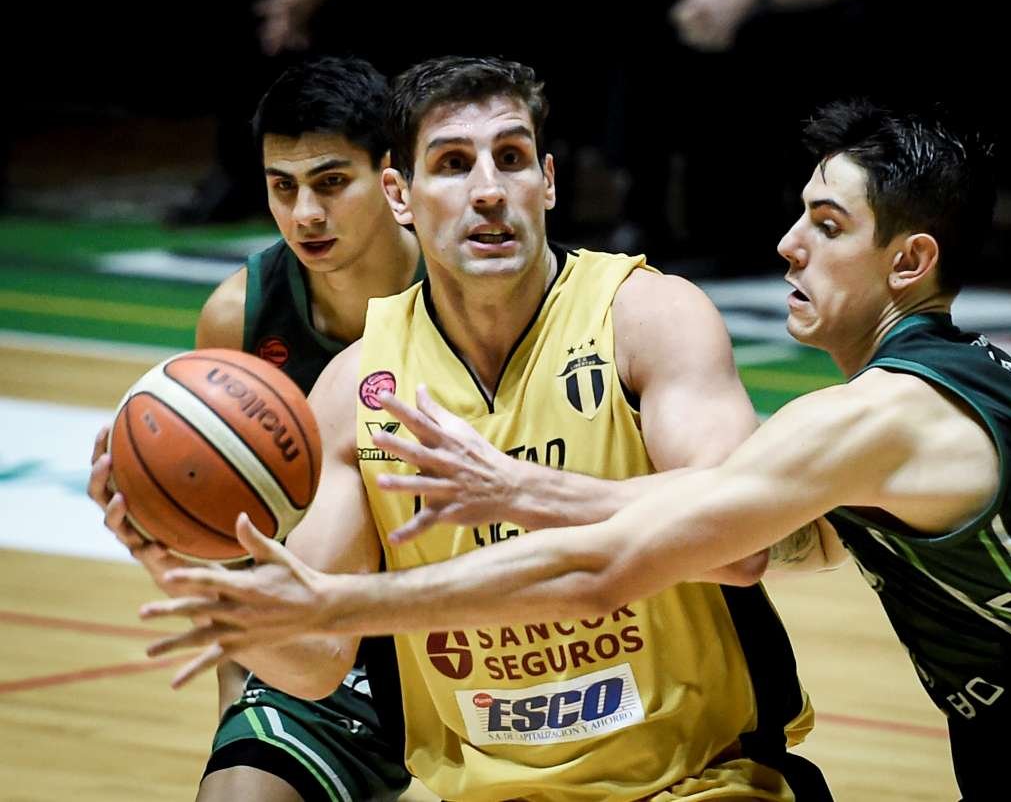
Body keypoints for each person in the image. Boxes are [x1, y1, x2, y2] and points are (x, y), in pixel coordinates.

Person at [146, 97, 1011, 799]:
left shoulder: (878, 416)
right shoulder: (955, 387)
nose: (788, 244)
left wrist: (343, 600)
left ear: (909, 260)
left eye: (827, 226)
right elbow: (738, 522)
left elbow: (640, 557)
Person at [129, 55, 832, 800]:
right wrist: (195, 571)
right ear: (400, 195)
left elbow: (739, 543)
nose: (490, 190)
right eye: (454, 165)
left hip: (700, 782)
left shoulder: (646, 317)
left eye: (512, 158)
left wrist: (526, 492)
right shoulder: (355, 387)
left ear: (548, 183)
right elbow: (316, 662)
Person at [90, 56, 420, 802]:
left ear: (392, 178)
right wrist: (239, 716)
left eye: (331, 182)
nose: (305, 214)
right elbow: (239, 556)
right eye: (283, 186)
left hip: (476, 617)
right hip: (324, 632)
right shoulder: (238, 316)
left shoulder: (466, 293)